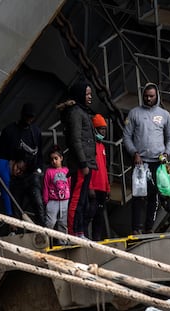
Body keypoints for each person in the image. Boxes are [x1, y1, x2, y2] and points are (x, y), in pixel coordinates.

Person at [123, 82, 170, 234]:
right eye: (146, 96)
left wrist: (166, 153)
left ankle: (149, 228)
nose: (148, 99)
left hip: (158, 163)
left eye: (151, 96)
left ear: (157, 96)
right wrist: (134, 153)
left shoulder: (164, 115)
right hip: (140, 163)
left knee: (155, 197)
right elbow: (127, 136)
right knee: (138, 195)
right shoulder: (134, 113)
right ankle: (136, 228)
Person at [0, 102, 45, 225]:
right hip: (14, 176)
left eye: (31, 117)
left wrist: (38, 170)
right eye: (27, 116)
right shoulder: (9, 131)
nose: (29, 120)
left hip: (31, 175)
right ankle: (16, 232)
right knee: (15, 206)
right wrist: (8, 170)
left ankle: (45, 232)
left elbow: (40, 155)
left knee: (38, 204)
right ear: (22, 115)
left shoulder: (36, 132)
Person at [59, 82, 96, 238]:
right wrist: (82, 163)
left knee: (82, 200)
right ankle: (73, 233)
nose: (90, 97)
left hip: (86, 162)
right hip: (82, 164)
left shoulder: (82, 111)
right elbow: (76, 140)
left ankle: (79, 231)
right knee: (76, 199)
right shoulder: (76, 113)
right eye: (87, 94)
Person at [85, 114, 111, 241]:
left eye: (104, 129)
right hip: (94, 187)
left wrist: (107, 187)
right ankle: (84, 235)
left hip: (102, 187)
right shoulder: (91, 146)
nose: (103, 132)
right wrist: (90, 186)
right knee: (90, 213)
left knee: (99, 215)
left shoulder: (102, 146)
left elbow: (104, 168)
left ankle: (96, 238)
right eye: (101, 129)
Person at [42, 145, 70, 242]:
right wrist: (46, 200)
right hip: (53, 201)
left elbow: (70, 184)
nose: (54, 161)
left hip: (65, 201)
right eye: (52, 159)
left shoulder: (66, 171)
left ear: (61, 158)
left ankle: (63, 243)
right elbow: (46, 186)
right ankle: (46, 242)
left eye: (56, 158)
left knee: (63, 223)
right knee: (50, 222)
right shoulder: (49, 172)